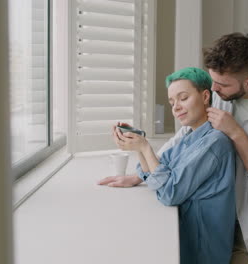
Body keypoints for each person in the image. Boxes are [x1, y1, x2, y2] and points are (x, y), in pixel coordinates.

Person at [100, 32, 248, 264]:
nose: (214, 89)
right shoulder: (220, 91)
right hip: (231, 223)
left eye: (221, 84)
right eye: (212, 81)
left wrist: (236, 133)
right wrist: (141, 173)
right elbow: (185, 137)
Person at [99, 67, 236, 264]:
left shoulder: (215, 142)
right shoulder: (189, 136)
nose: (176, 107)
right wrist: (138, 144)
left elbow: (170, 192)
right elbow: (153, 173)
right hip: (187, 238)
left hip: (203, 248)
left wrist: (145, 148)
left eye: (183, 98)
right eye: (172, 102)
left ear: (205, 97)